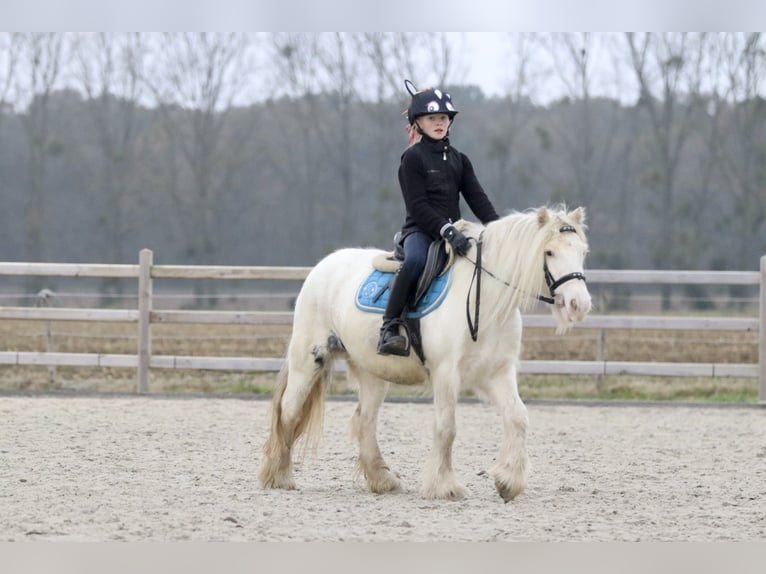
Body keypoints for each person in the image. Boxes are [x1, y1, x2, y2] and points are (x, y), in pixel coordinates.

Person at [377, 80, 501, 356]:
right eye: (432, 117)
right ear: (418, 122)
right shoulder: (412, 159)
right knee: (415, 262)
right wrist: (446, 230)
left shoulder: (460, 160)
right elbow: (418, 206)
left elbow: (478, 200)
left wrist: (500, 230)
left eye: (444, 117)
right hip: (421, 232)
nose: (439, 122)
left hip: (456, 230)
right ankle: (389, 326)